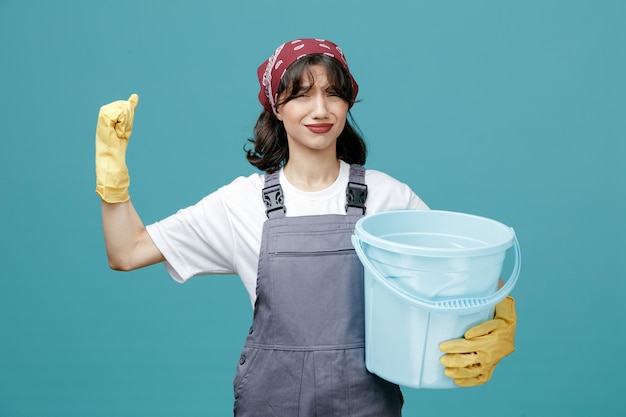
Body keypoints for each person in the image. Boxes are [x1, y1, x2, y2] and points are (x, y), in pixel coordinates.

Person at [95, 38, 517, 416]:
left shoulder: (387, 198)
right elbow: (127, 251)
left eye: (333, 94)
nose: (320, 110)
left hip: (365, 404)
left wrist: (501, 319)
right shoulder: (240, 203)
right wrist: (113, 177)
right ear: (276, 106)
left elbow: (465, 278)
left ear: (348, 103)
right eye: (300, 95)